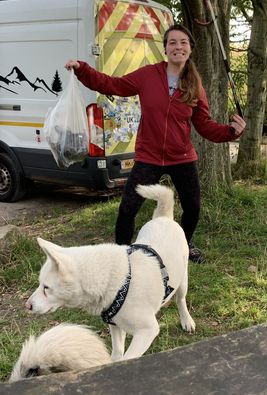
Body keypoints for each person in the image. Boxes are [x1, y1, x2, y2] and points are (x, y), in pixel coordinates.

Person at [65, 24, 245, 263]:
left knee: (192, 209)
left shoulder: (195, 85)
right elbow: (112, 85)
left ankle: (184, 246)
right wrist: (82, 69)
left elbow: (205, 125)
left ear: (190, 49)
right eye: (172, 42)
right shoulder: (148, 75)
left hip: (182, 157)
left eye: (183, 42)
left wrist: (231, 131)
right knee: (127, 209)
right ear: (165, 49)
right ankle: (121, 255)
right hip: (149, 157)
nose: (178, 47)